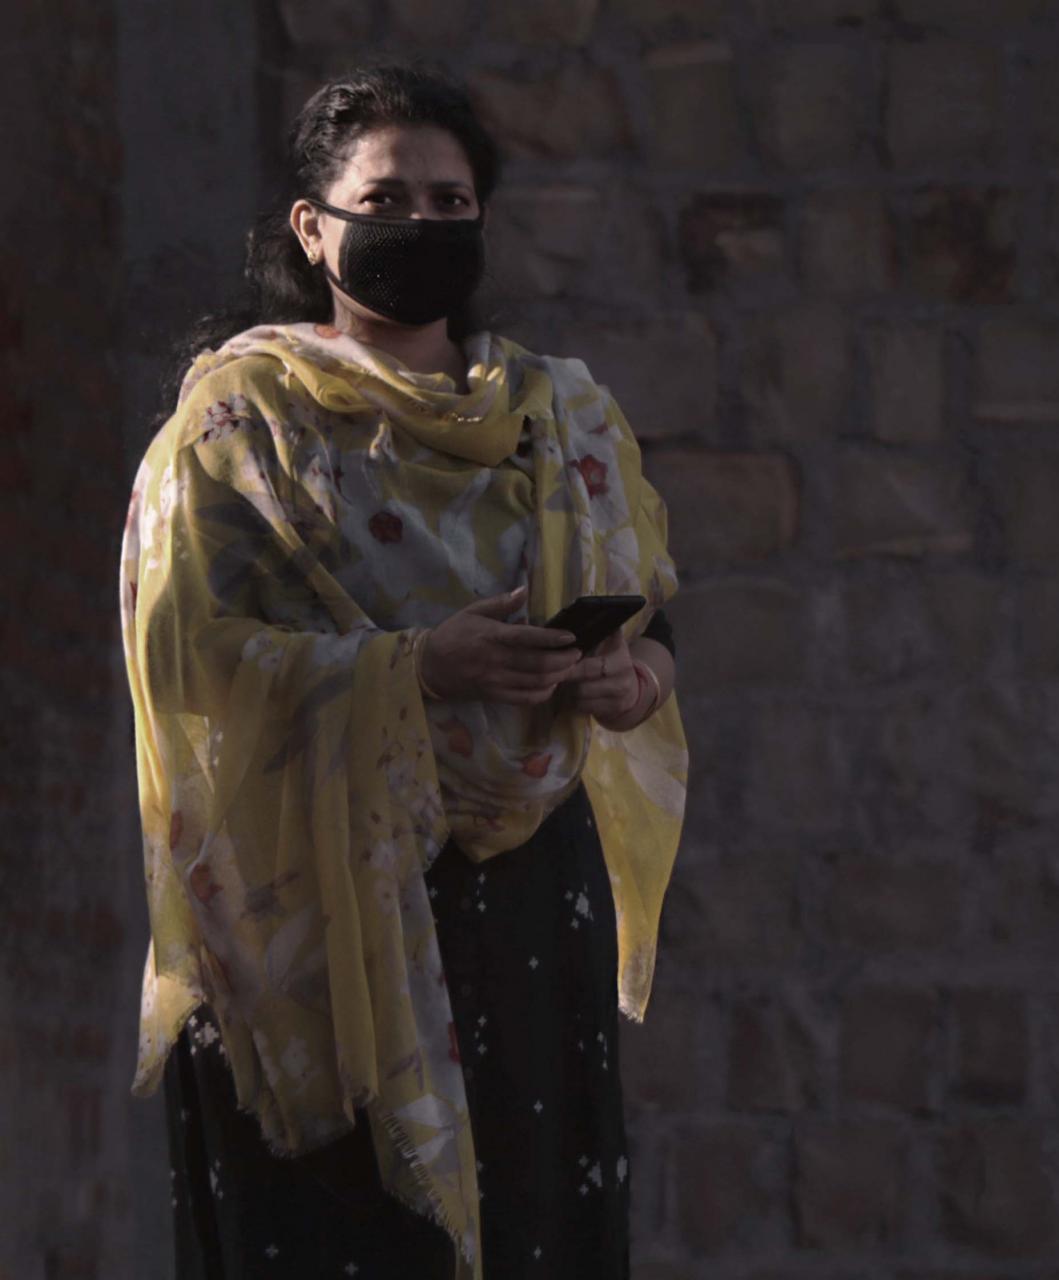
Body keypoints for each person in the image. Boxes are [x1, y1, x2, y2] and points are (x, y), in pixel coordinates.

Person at [119, 61, 690, 1279]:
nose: (421, 224)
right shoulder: (236, 426)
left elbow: (652, 622)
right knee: (346, 1228)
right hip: (317, 899)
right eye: (387, 198)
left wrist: (629, 678)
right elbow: (186, 659)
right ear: (313, 227)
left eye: (450, 200)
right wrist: (416, 668)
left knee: (535, 1213)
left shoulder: (560, 415)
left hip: (532, 887)